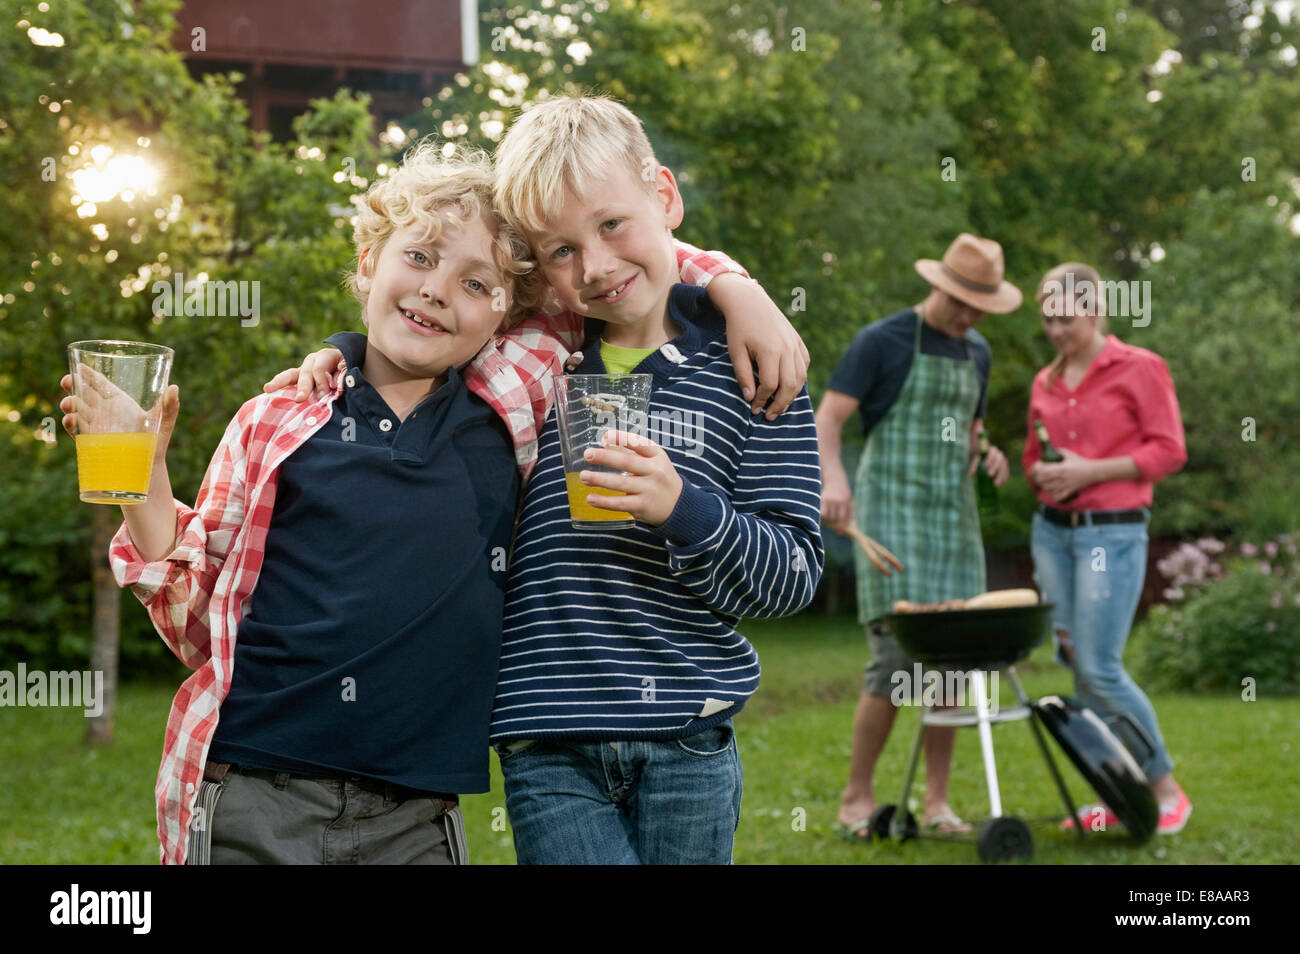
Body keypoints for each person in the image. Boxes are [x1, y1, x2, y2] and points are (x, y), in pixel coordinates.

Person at [60, 145, 542, 864]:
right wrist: (145, 476)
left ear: (506, 311)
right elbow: (198, 623)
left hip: (416, 816)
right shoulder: (276, 419)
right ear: (368, 260)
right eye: (418, 257)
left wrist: (735, 292)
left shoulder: (514, 408)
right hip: (254, 793)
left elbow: (614, 271)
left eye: (475, 281)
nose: (438, 289)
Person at [480, 94, 824, 865]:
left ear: (665, 197)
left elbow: (795, 574)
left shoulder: (754, 366)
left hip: (689, 736)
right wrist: (341, 354)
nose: (595, 267)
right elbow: (420, 328)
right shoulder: (533, 360)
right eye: (560, 251)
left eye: (611, 225)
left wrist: (685, 511)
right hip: (548, 740)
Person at [817, 233, 1019, 839]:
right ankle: (856, 798)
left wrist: (991, 455)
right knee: (896, 660)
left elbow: (972, 433)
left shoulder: (978, 352)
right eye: (961, 302)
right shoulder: (883, 341)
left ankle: (937, 805)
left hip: (953, 524)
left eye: (979, 307)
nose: (968, 316)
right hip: (891, 515)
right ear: (939, 286)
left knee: (954, 666)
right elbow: (828, 417)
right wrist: (833, 479)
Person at [1024, 262, 1191, 835]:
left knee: (1100, 667)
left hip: (1110, 534)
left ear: (1095, 312)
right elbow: (1032, 461)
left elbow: (1169, 450)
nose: (1054, 329)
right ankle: (1116, 796)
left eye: (1065, 318)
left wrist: (1089, 471)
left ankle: (1164, 787)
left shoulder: (1140, 368)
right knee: (1076, 664)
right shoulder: (1045, 382)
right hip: (1052, 535)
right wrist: (1042, 476)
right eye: (1046, 318)